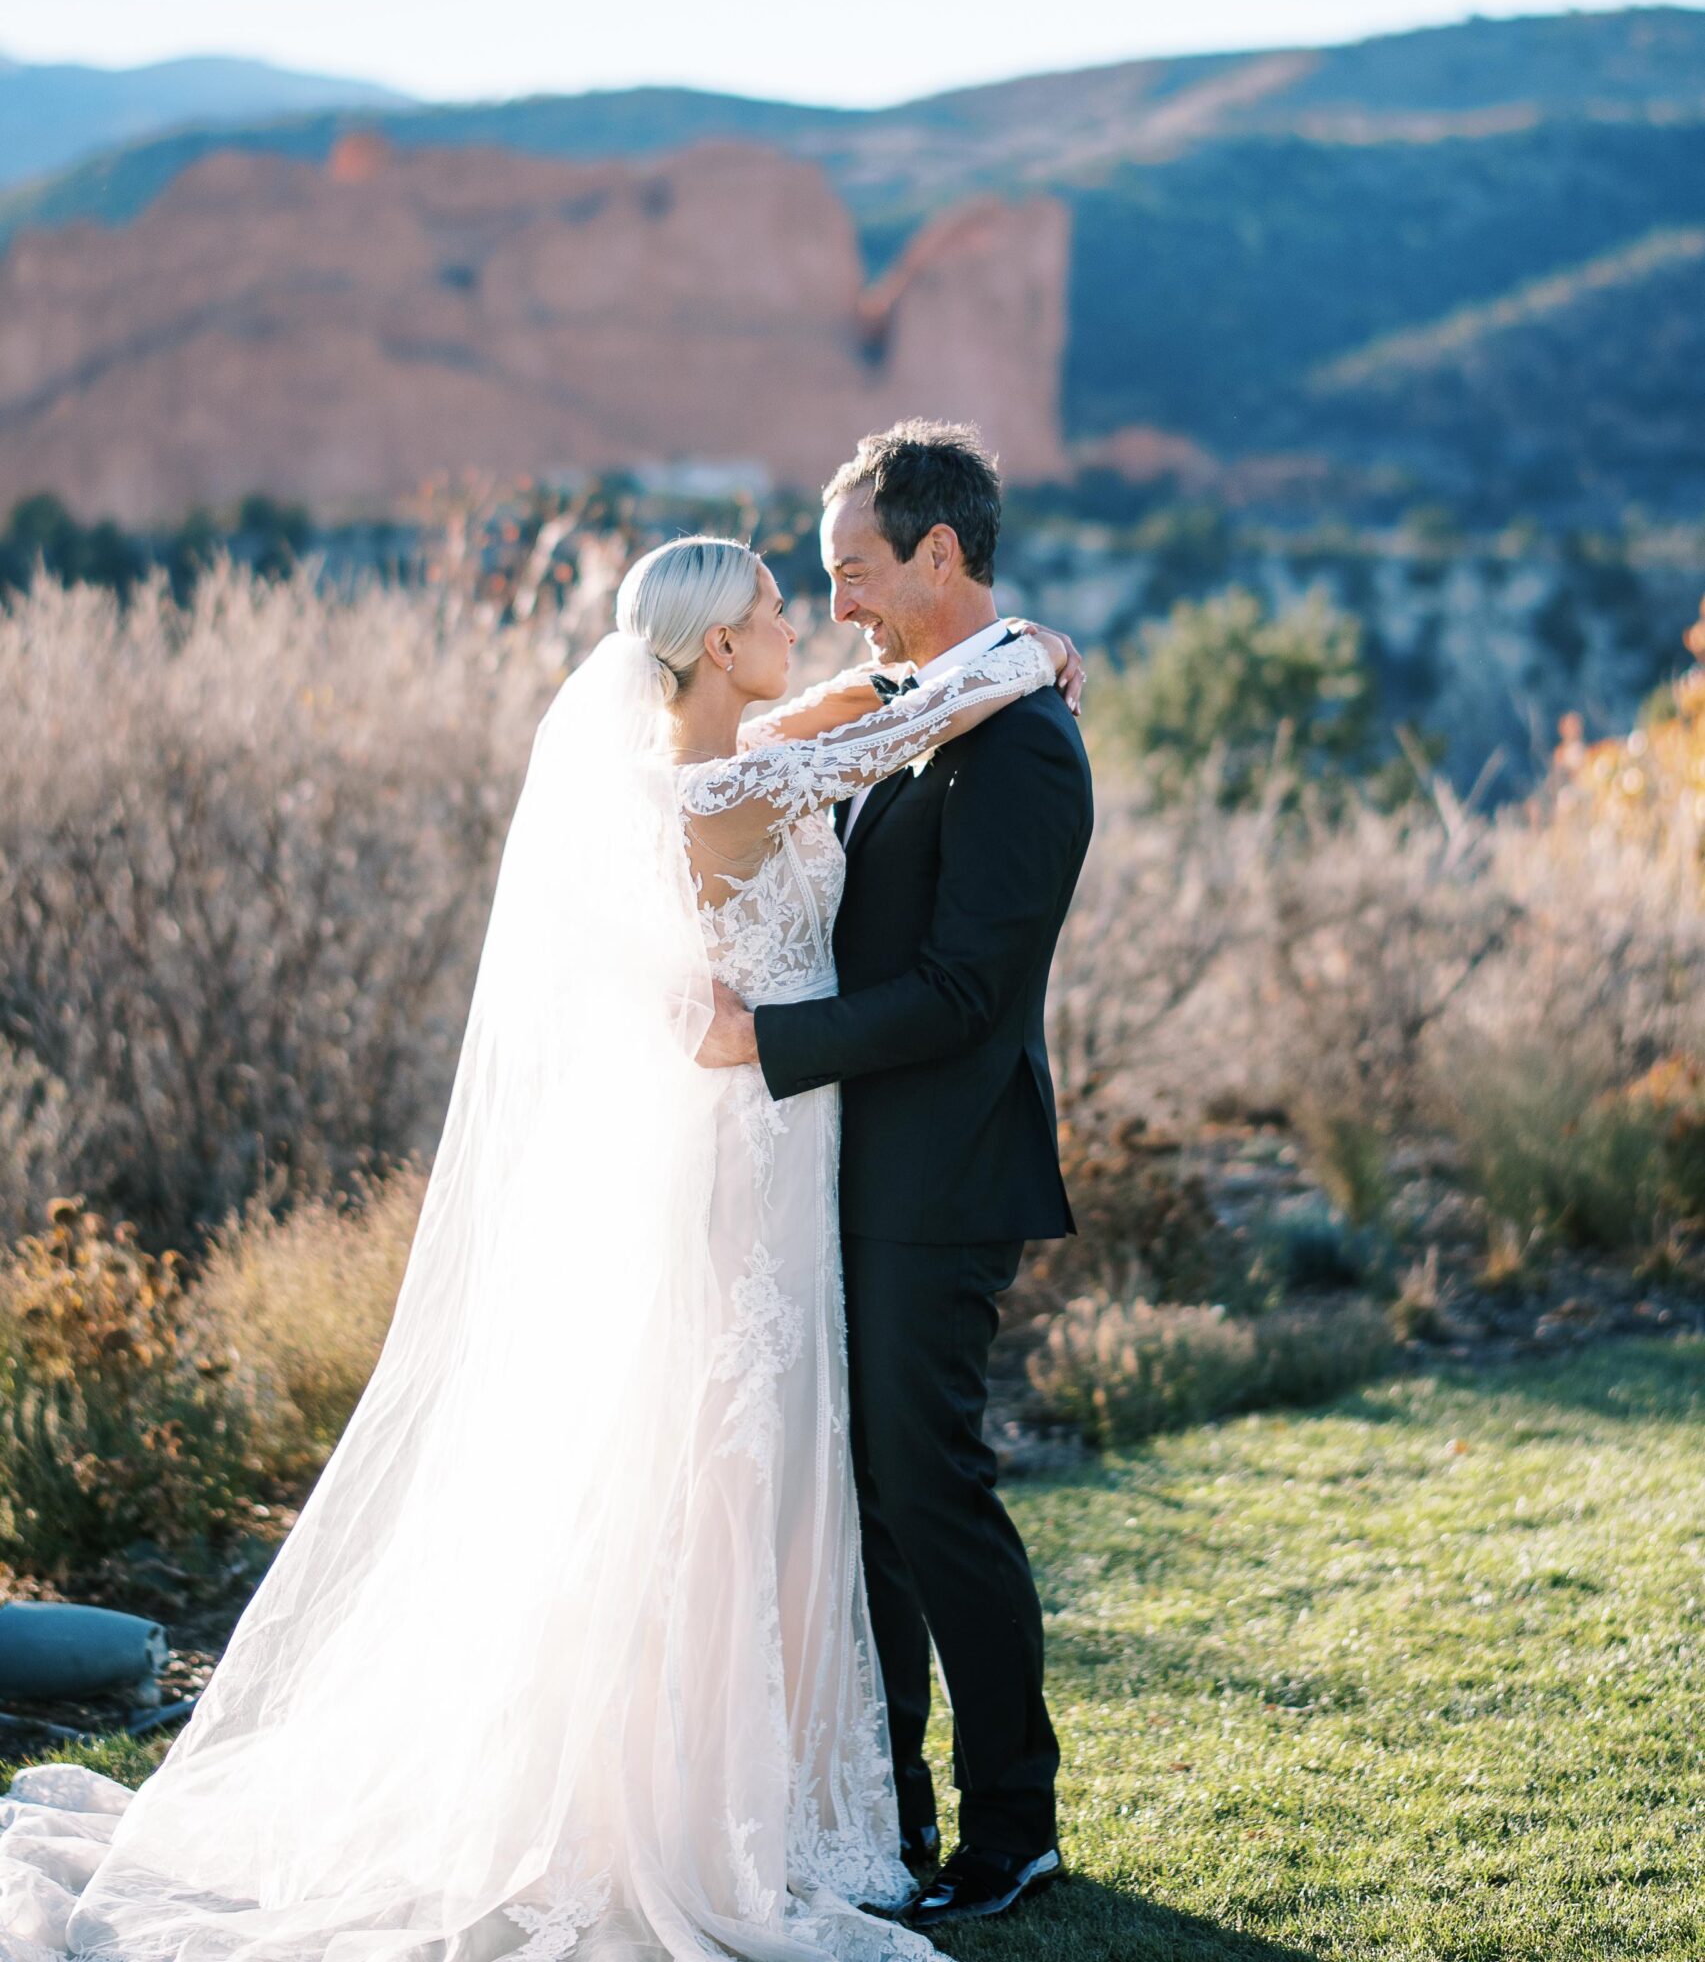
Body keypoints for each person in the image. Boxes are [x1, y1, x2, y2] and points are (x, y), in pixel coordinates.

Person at [0, 521, 1077, 1962]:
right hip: (745, 1158)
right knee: (729, 1471)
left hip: (787, 1150)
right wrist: (1019, 653)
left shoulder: (724, 743)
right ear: (714, 645)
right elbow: (890, 724)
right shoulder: (731, 782)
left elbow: (858, 709)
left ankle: (809, 1801)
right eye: (773, 603)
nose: (800, 622)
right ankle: (708, 1809)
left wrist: (989, 661)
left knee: (776, 1479)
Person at [696, 422, 1094, 1925]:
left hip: (937, 1184)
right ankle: (893, 1820)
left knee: (931, 1498)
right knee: (863, 1509)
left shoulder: (1023, 745)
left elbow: (962, 994)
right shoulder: (932, 699)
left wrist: (766, 1043)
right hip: (846, 1173)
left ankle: (1012, 1825)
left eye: (855, 569)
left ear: (938, 552)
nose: (844, 599)